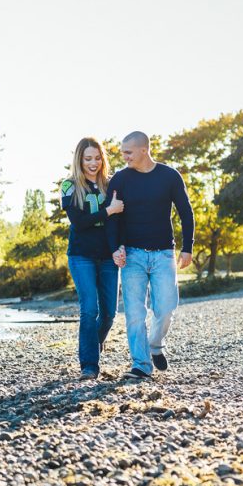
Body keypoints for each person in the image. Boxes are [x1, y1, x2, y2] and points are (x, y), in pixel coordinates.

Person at [106, 131, 194, 380]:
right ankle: (141, 364)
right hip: (131, 256)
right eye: (123, 152)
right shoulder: (120, 180)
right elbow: (112, 217)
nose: (123, 157)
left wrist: (188, 247)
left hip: (164, 254)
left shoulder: (169, 176)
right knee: (134, 313)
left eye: (128, 152)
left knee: (166, 308)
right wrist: (115, 247)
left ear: (144, 150)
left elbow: (186, 212)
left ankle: (155, 344)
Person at [61, 137, 125, 381]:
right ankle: (89, 365)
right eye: (88, 158)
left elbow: (119, 223)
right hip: (81, 256)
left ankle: (92, 345)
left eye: (97, 158)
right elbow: (78, 222)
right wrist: (108, 210)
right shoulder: (70, 186)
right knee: (89, 309)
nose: (93, 163)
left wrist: (119, 247)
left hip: (108, 257)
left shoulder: (111, 185)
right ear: (79, 159)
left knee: (109, 313)